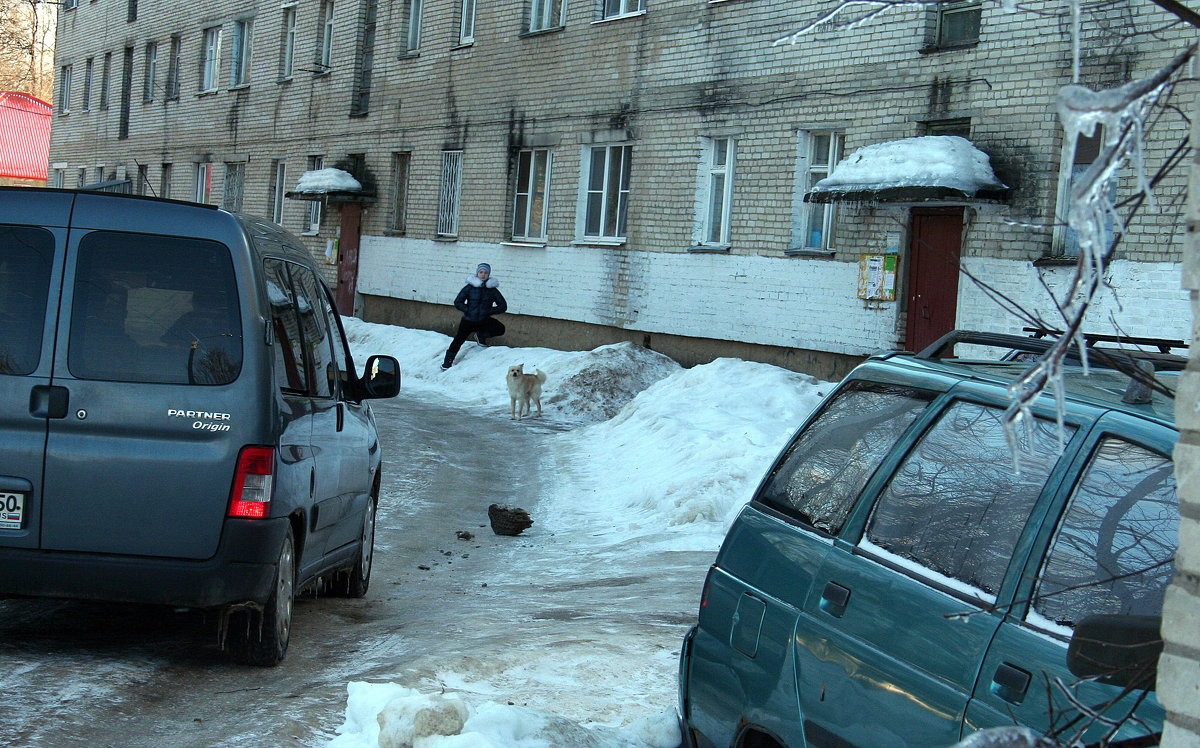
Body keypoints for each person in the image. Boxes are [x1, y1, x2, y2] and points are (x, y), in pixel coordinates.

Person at [442, 263, 507, 370]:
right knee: (458, 341)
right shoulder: (469, 288)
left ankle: (481, 336)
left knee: (500, 328)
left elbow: (503, 306)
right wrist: (468, 310)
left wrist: (488, 311)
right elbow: (458, 302)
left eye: (486, 273)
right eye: (481, 272)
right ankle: (447, 362)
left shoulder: (492, 290)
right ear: (477, 273)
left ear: (489, 275)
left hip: (483, 320)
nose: (483, 275)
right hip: (468, 321)